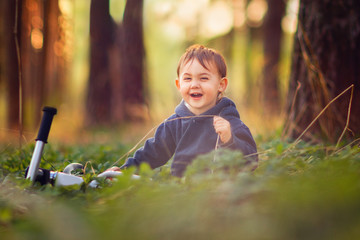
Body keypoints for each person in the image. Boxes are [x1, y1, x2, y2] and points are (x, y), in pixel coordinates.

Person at [118, 44, 257, 177]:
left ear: (221, 85)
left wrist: (229, 140)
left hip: (218, 191)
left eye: (203, 78)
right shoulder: (175, 123)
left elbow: (251, 161)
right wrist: (124, 171)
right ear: (179, 84)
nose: (194, 85)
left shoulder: (229, 122)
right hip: (182, 192)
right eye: (188, 79)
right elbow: (153, 152)